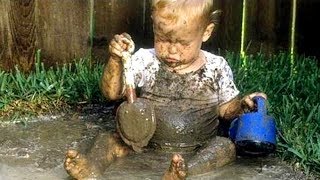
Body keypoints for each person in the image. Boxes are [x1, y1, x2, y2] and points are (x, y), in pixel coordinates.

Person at [64, 0, 267, 179]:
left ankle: (183, 172)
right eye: (163, 39)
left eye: (182, 42)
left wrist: (242, 106)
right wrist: (116, 60)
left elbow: (226, 111)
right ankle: (92, 168)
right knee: (109, 140)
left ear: (206, 32)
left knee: (225, 148)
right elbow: (111, 93)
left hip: (197, 146)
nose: (171, 49)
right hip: (142, 143)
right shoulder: (145, 60)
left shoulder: (216, 67)